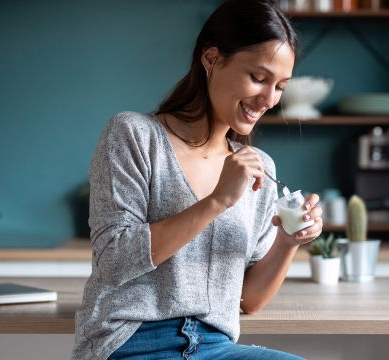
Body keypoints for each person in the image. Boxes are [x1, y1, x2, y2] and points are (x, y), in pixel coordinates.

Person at [71, 1, 323, 359]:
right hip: (131, 342)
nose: (269, 99)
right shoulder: (132, 135)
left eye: (280, 86)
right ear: (211, 59)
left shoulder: (259, 168)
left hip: (214, 347)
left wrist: (287, 241)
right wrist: (217, 201)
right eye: (258, 78)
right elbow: (113, 262)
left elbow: (249, 301)